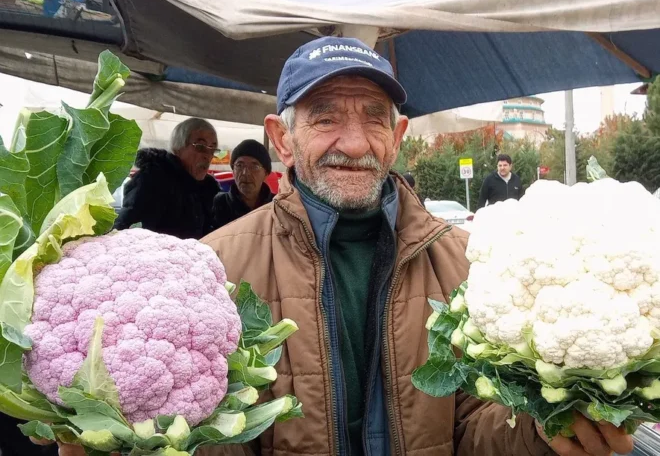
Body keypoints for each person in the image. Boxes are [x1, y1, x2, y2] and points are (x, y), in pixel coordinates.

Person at [38, 37, 635, 456]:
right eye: (324, 118)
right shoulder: (214, 269)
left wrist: (542, 436)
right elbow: (210, 434)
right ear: (283, 139)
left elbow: (478, 431)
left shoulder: (471, 266)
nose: (354, 141)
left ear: (398, 137)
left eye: (374, 118)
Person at [113, 117, 220, 239]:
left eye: (213, 149)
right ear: (177, 147)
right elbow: (130, 231)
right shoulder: (152, 180)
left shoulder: (209, 188)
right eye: (200, 146)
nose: (208, 155)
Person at [213, 139, 274, 228]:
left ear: (266, 173)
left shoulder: (276, 204)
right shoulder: (220, 203)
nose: (245, 173)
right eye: (239, 165)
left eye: (254, 166)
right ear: (233, 171)